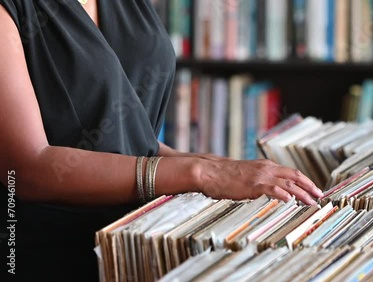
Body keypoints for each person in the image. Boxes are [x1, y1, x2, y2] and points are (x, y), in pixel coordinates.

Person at [0, 0, 322, 281]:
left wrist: (221, 167)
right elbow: (28, 169)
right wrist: (200, 174)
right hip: (53, 257)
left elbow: (131, 141)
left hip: (144, 244)